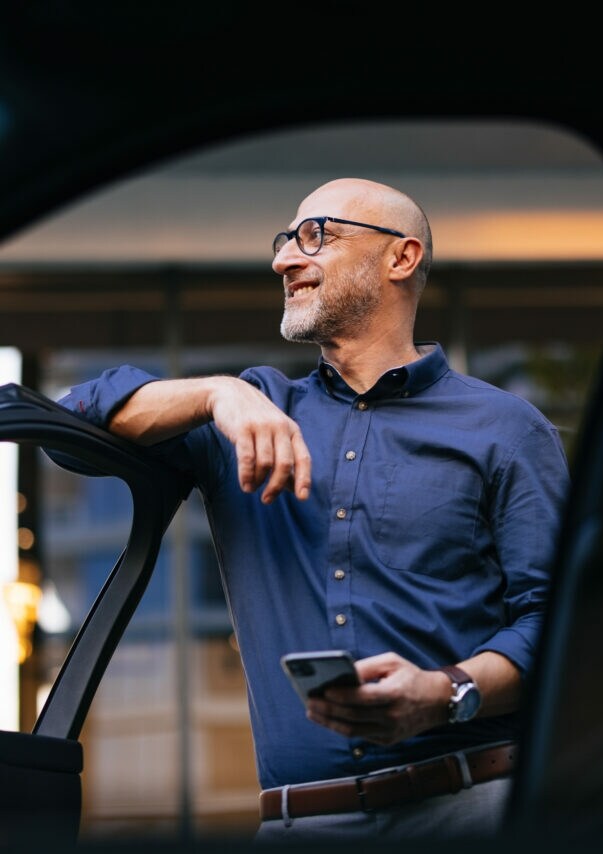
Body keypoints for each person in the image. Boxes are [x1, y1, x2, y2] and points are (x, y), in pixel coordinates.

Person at [52, 177, 569, 842]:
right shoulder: (248, 416)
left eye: (315, 236)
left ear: (401, 258)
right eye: (284, 241)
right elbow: (69, 423)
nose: (284, 260)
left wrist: (443, 692)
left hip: (471, 813)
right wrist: (217, 395)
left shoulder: (505, 427)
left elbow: (559, 631)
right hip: (299, 829)